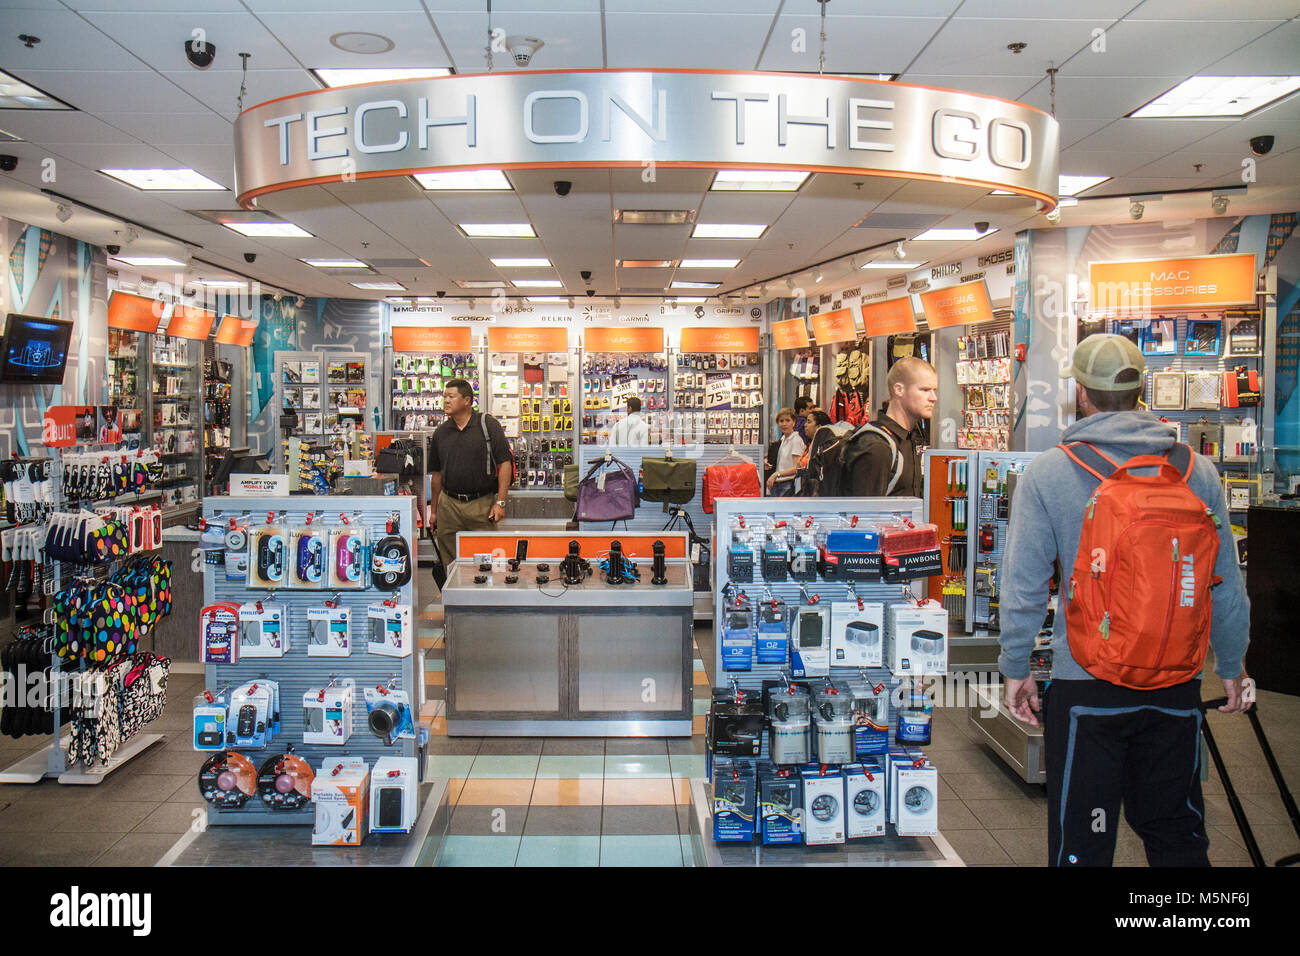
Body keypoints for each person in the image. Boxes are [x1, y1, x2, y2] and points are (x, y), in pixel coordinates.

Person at [998, 333, 1251, 868]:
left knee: (1084, 838)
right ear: (1141, 390)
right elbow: (1225, 579)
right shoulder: (1195, 471)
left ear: (1080, 392)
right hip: (1176, 680)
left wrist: (1015, 665)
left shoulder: (1051, 470)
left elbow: (1022, 582)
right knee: (1176, 832)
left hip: (1087, 680)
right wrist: (1231, 665)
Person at [427, 378, 513, 571]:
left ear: (467, 401)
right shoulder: (441, 432)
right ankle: (453, 598)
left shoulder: (487, 425)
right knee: (448, 560)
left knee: (485, 557)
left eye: (451, 396)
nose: (446, 401)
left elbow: (505, 464)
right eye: (444, 397)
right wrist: (434, 512)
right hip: (448, 505)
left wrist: (500, 502)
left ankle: (483, 597)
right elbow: (436, 476)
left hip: (481, 504)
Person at [846, 357, 937, 497]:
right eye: (925, 390)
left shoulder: (907, 440)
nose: (933, 397)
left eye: (934, 390)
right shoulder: (876, 446)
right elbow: (865, 515)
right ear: (899, 389)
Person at [765, 407, 806, 497]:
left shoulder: (796, 440)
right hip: (778, 483)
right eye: (781, 421)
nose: (784, 424)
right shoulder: (783, 439)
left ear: (794, 422)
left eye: (787, 420)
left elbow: (796, 468)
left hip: (787, 484)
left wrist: (777, 474)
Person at [795, 410, 833, 496]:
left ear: (819, 427)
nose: (805, 425)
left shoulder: (823, 449)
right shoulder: (810, 446)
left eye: (809, 422)